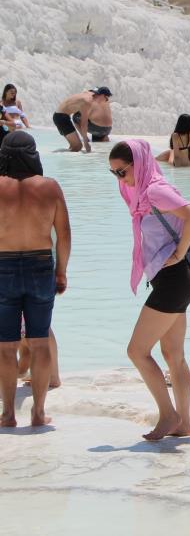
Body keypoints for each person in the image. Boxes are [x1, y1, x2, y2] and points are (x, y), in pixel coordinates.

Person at [110, 140, 190, 441]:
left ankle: (168, 415)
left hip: (175, 278)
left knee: (136, 351)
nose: (120, 179)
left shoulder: (154, 190)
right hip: (174, 281)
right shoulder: (142, 192)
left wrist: (178, 253)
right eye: (114, 173)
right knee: (173, 354)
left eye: (122, 171)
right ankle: (184, 423)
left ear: (138, 163)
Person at [0, 133, 70, 428]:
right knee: (40, 343)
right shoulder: (50, 187)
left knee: (5, 346)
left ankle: (7, 414)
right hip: (41, 264)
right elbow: (64, 234)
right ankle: (38, 413)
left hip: (2, 267)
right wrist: (62, 271)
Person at [52, 87, 113, 152]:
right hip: (60, 117)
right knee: (77, 147)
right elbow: (84, 123)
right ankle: (53, 153)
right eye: (106, 98)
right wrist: (86, 143)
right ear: (101, 95)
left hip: (64, 115)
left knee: (75, 147)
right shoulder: (87, 101)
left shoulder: (92, 96)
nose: (107, 100)